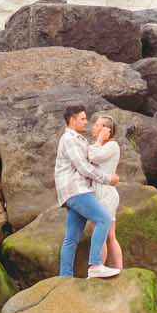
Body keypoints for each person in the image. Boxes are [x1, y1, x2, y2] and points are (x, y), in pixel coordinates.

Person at [54, 104, 116, 279]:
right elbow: (83, 167)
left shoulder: (79, 139)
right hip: (77, 190)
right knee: (103, 218)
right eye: (82, 119)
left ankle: (64, 278)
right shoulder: (69, 139)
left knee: (71, 238)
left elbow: (92, 156)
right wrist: (108, 179)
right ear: (72, 120)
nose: (86, 122)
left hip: (73, 191)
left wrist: (100, 141)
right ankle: (95, 264)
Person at [86, 113, 125, 277]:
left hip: (105, 194)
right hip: (101, 193)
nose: (94, 127)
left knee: (104, 234)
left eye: (98, 125)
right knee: (108, 235)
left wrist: (99, 140)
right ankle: (113, 269)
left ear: (106, 130)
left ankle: (99, 267)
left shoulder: (111, 146)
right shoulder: (99, 145)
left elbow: (94, 157)